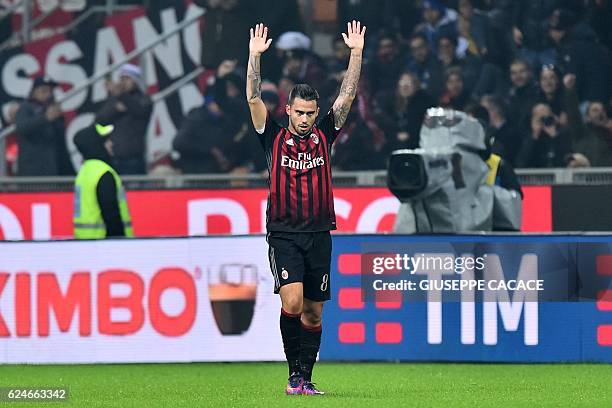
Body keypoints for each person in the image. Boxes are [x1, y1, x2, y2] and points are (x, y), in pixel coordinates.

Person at [246, 21, 365, 395]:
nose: (304, 119)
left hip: (319, 234)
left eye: (310, 113)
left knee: (314, 311)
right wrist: (254, 57)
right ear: (288, 110)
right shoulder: (273, 136)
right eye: (298, 112)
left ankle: (306, 378)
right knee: (293, 299)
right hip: (283, 233)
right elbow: (252, 99)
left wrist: (356, 53)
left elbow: (345, 98)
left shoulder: (323, 136)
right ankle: (293, 374)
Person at [73, 123, 133, 239]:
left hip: (83, 244)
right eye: (106, 141)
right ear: (97, 146)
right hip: (103, 246)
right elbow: (111, 216)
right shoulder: (103, 173)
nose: (111, 143)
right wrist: (120, 244)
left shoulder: (84, 171)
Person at [95, 64, 152, 175]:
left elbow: (139, 110)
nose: (123, 82)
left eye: (127, 79)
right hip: (113, 158)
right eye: (121, 79)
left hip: (133, 160)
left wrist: (121, 96)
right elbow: (100, 119)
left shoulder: (144, 99)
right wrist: (115, 108)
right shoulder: (115, 100)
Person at [15, 77, 74, 176]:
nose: (48, 95)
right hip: (33, 170)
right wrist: (45, 118)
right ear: (34, 92)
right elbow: (22, 127)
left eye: (50, 91)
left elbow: (61, 142)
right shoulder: (26, 107)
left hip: (54, 168)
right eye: (44, 91)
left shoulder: (53, 108)